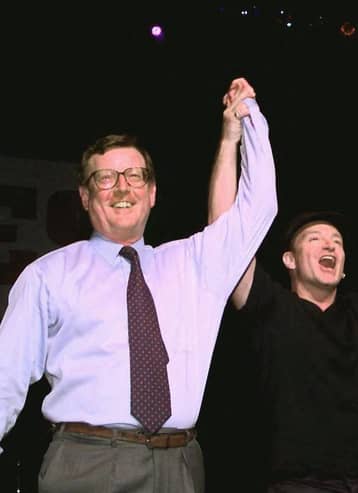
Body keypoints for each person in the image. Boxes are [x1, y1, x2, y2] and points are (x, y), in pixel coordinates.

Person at [0, 77, 277, 493]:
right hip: (86, 462)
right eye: (105, 178)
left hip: (182, 463)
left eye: (133, 175)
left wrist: (245, 122)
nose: (122, 187)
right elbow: (6, 377)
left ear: (152, 193)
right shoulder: (47, 275)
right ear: (85, 196)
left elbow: (260, 206)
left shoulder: (194, 263)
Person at [208, 88, 358, 491]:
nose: (330, 245)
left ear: (343, 267)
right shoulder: (270, 306)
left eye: (338, 241)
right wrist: (229, 140)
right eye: (315, 239)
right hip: (299, 485)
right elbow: (223, 236)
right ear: (289, 260)